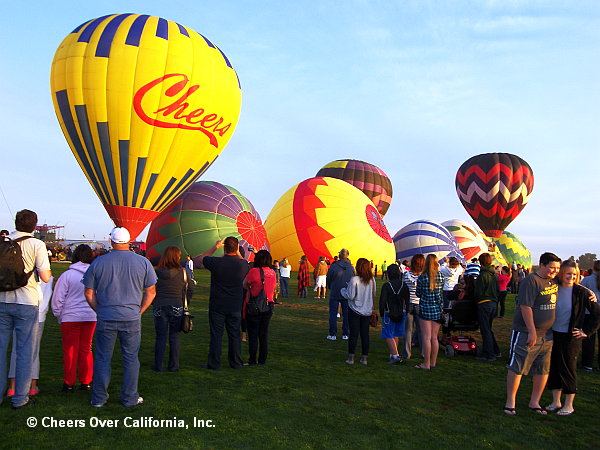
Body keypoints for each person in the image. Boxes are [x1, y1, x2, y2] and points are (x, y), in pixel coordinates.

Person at [83, 227, 157, 408]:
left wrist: (98, 309)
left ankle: (99, 398)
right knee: (131, 359)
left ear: (111, 241)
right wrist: (139, 310)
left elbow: (88, 293)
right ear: (129, 241)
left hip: (106, 316)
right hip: (130, 317)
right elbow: (151, 292)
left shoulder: (99, 262)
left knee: (102, 358)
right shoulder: (143, 262)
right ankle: (129, 398)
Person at [0, 209, 51, 409]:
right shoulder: (37, 244)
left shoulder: (3, 241)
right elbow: (46, 276)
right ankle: (20, 397)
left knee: (1, 349)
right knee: (24, 351)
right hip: (26, 302)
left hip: (3, 300)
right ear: (34, 225)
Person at [504, 252, 561, 416]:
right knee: (518, 366)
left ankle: (534, 402)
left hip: (547, 334)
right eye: (552, 267)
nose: (555, 271)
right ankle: (510, 402)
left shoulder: (553, 280)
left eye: (557, 268)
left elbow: (572, 282)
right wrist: (532, 331)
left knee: (542, 369)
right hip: (526, 332)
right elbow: (525, 306)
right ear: (542, 265)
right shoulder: (531, 281)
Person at [544, 260, 600, 415]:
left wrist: (586, 332)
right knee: (554, 367)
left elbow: (597, 314)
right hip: (552, 334)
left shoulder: (582, 292)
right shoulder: (552, 288)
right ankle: (556, 401)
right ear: (562, 273)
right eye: (568, 273)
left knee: (568, 368)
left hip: (570, 337)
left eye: (574, 274)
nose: (571, 276)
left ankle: (569, 404)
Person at [51, 244, 96, 392]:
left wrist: (59, 314)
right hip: (90, 316)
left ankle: (69, 382)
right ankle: (86, 381)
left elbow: (58, 298)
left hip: (70, 317)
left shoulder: (67, 275)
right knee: (86, 349)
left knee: (70, 351)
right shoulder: (95, 274)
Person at [199, 237, 248, 371]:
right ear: (237, 248)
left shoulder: (216, 262)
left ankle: (214, 364)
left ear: (224, 248)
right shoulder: (243, 265)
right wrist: (238, 252)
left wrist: (215, 247)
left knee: (216, 335)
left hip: (217, 305)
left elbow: (201, 258)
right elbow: (244, 261)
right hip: (235, 306)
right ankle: (236, 362)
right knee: (235, 335)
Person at [8, 274, 53, 398]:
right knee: (34, 350)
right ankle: (32, 386)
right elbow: (46, 296)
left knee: (16, 350)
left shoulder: (21, 268)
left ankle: (13, 387)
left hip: (20, 309)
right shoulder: (46, 275)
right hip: (37, 313)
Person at [152, 246, 193, 373]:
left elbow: (151, 289)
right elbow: (190, 289)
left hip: (159, 305)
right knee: (174, 337)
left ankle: (158, 365)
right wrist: (185, 302)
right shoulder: (183, 272)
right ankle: (173, 366)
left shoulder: (156, 272)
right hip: (177, 305)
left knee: (160, 337)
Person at [243, 250, 276, 366]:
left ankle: (252, 360)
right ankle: (262, 360)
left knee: (253, 334)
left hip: (255, 306)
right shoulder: (272, 272)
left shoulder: (254, 271)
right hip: (269, 306)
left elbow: (244, 284)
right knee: (263, 334)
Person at [342, 258, 375, 365]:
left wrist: (343, 291)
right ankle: (364, 359)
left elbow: (350, 296)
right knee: (365, 335)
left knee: (354, 334)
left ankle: (351, 358)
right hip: (367, 311)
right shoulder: (372, 280)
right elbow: (373, 295)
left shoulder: (354, 280)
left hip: (355, 310)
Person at [415, 254, 445, 370]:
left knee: (426, 338)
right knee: (434, 338)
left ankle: (426, 364)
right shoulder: (441, 276)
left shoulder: (422, 277)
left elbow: (418, 293)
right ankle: (433, 362)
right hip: (437, 309)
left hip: (425, 309)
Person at [379, 264, 409, 364]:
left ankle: (395, 356)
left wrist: (381, 312)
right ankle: (393, 354)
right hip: (401, 312)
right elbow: (407, 300)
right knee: (395, 334)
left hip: (389, 312)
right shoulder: (404, 285)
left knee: (388, 334)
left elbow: (382, 300)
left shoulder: (387, 286)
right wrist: (407, 311)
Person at [474, 253, 501, 361]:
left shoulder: (483, 275)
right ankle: (496, 351)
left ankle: (489, 355)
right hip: (493, 303)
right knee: (488, 329)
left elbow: (478, 292)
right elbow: (498, 289)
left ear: (480, 262)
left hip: (484, 303)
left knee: (485, 330)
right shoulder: (493, 274)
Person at [326, 249, 355, 341]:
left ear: (339, 256)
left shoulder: (334, 267)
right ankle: (345, 334)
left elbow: (329, 279)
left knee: (333, 313)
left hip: (335, 292)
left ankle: (332, 334)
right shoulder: (351, 268)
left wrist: (331, 286)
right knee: (346, 314)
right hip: (346, 293)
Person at [402, 254, 425, 360]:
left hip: (409, 304)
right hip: (420, 304)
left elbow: (403, 289)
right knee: (421, 331)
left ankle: (406, 354)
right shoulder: (424, 276)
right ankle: (423, 353)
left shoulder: (406, 275)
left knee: (408, 330)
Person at [580, 260, 600, 371]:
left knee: (588, 338)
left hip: (589, 313)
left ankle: (587, 364)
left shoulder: (587, 280)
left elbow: (579, 293)